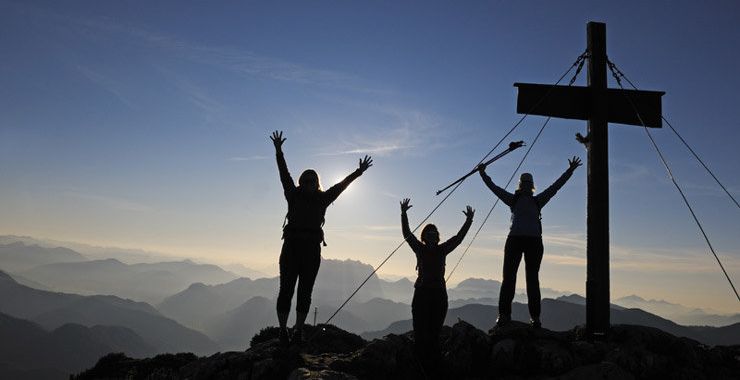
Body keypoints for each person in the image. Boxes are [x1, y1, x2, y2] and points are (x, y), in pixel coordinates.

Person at [270, 130, 372, 345]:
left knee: (304, 292)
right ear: (301, 182)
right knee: (286, 290)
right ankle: (283, 330)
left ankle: (296, 330)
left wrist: (358, 173)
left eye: (312, 181)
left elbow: (341, 186)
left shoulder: (321, 198)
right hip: (295, 248)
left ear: (316, 183)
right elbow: (283, 173)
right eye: (306, 181)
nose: (308, 184)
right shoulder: (294, 194)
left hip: (306, 250)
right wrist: (279, 151)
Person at [478, 156, 582, 328]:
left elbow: (495, 189)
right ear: (529, 185)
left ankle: (506, 316)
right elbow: (556, 187)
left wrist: (484, 175)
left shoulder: (515, 200)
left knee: (510, 279)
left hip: (516, 240)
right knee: (530, 280)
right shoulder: (536, 200)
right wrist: (569, 171)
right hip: (533, 242)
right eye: (526, 183)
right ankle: (533, 318)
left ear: (521, 185)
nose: (526, 186)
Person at [401, 198, 474, 369]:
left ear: (437, 236)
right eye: (429, 234)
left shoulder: (441, 249)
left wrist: (469, 221)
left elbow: (459, 238)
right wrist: (403, 214)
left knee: (433, 333)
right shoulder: (421, 248)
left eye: (434, 233)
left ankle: (430, 366)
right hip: (425, 294)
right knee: (421, 333)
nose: (432, 236)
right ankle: (424, 366)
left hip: (436, 295)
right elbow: (407, 234)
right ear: (425, 237)